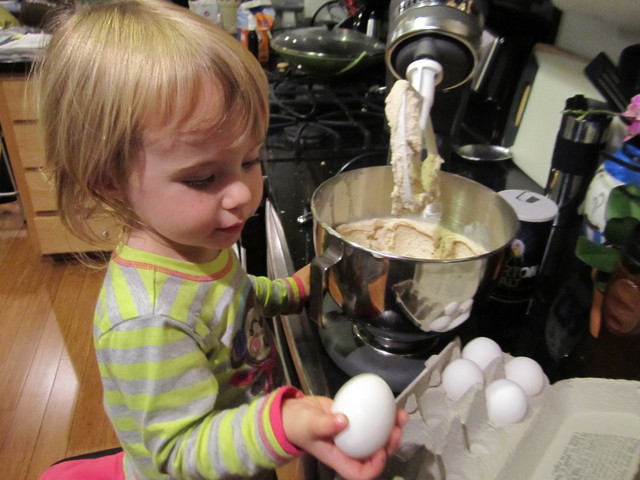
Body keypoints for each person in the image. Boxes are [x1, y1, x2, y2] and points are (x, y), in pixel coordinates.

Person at [35, 0, 407, 479]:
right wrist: (281, 425)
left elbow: (227, 300)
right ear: (110, 182)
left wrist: (285, 293)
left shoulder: (191, 246)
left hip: (240, 453)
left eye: (250, 161)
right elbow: (178, 449)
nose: (242, 193)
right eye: (203, 178)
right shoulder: (148, 321)